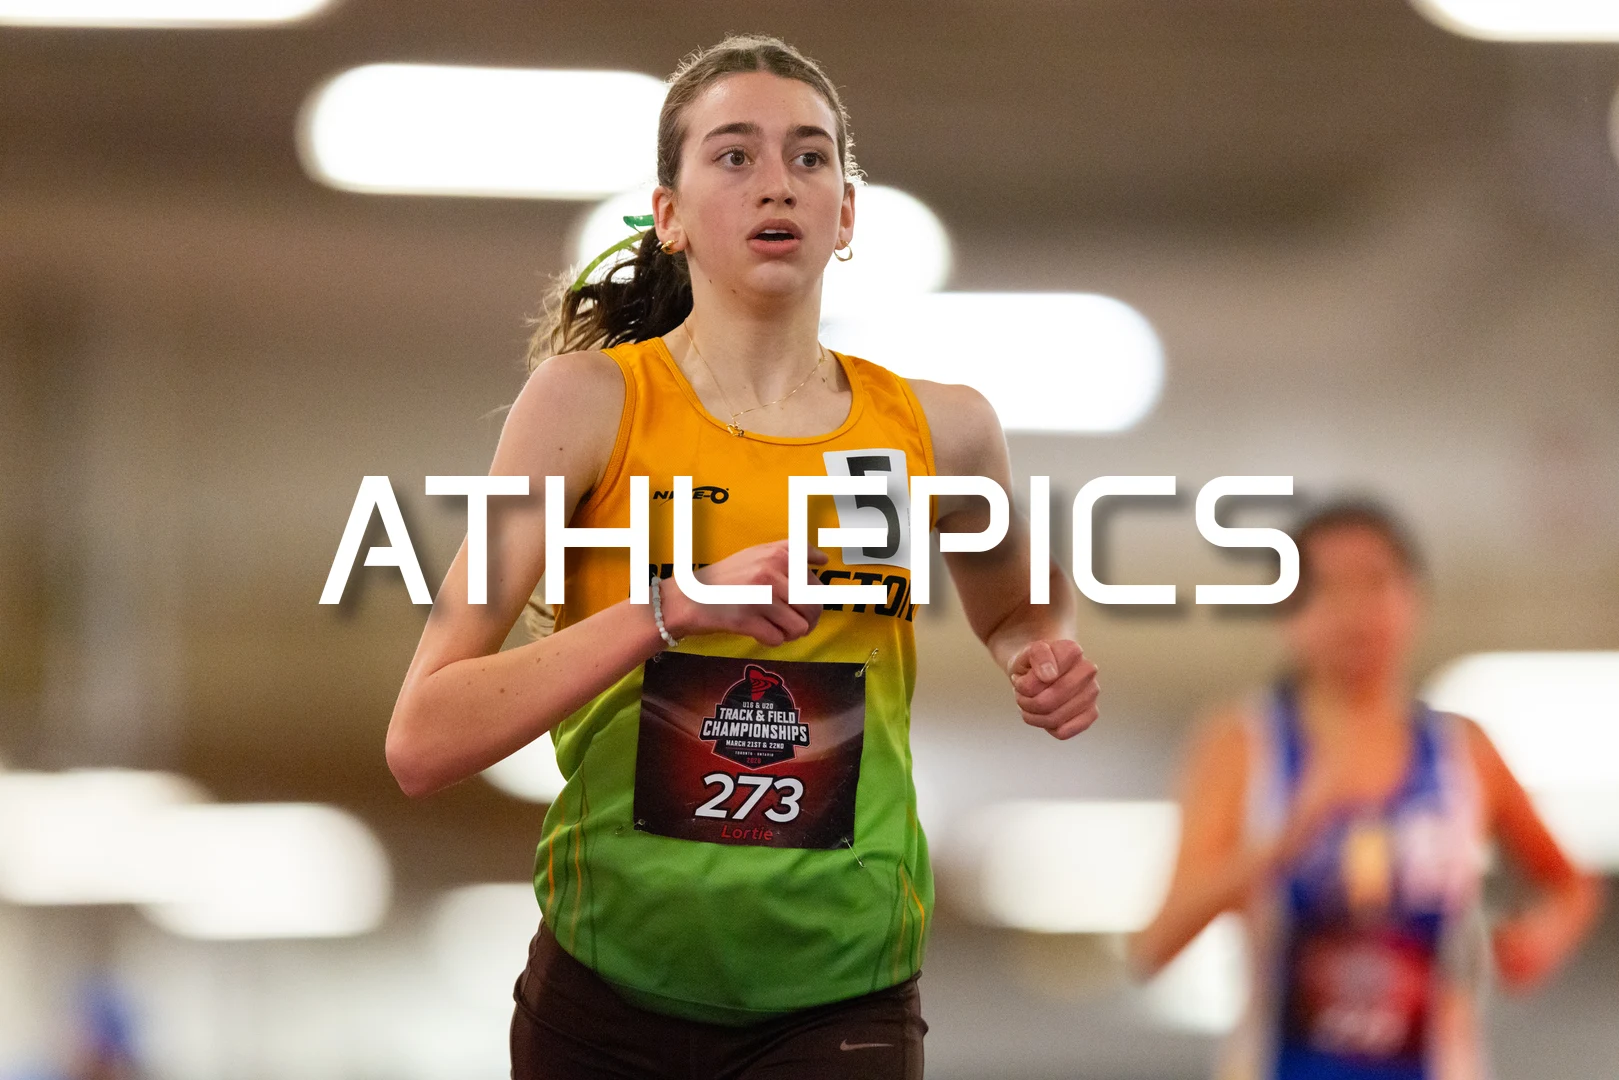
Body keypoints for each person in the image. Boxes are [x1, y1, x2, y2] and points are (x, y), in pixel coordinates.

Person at [384, 34, 1100, 1080]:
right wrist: (667, 611)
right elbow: (422, 738)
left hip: (840, 992)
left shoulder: (940, 431)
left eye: (810, 157)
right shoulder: (586, 407)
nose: (778, 183)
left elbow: (1016, 610)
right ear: (668, 214)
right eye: (734, 155)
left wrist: (1040, 655)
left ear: (845, 216)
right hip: (606, 993)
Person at [1130, 500, 1604, 1080]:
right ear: (1284, 613)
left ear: (1414, 600)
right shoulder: (1243, 747)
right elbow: (1150, 948)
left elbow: (1570, 885)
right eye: (1324, 588)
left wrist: (1543, 935)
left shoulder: (1464, 752)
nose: (1353, 610)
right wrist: (1275, 848)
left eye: (1374, 582)